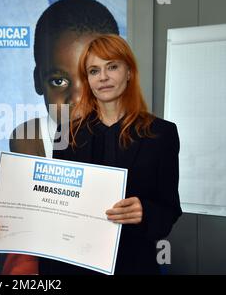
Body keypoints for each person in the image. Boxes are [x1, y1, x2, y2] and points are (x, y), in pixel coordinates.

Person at [39, 34, 182, 274]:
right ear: (87, 80)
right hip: (75, 264)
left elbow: (169, 211)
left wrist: (144, 212)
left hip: (134, 262)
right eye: (94, 71)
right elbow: (58, 205)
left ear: (129, 72)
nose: (103, 77)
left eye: (112, 67)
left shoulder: (161, 134)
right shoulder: (67, 133)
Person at [3, 0, 119, 274]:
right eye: (59, 81)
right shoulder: (29, 138)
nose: (77, 98)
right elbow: (27, 237)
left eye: (91, 75)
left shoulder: (132, 135)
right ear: (37, 80)